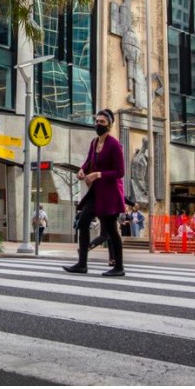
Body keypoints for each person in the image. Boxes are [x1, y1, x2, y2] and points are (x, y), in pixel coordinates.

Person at [63, 109, 126, 277]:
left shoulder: (114, 145)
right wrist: (82, 170)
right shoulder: (94, 142)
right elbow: (89, 161)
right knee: (83, 222)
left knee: (111, 230)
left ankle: (119, 267)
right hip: (96, 192)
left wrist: (99, 174)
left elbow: (120, 172)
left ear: (109, 125)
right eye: (97, 121)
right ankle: (81, 264)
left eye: (102, 122)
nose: (98, 124)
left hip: (110, 194)